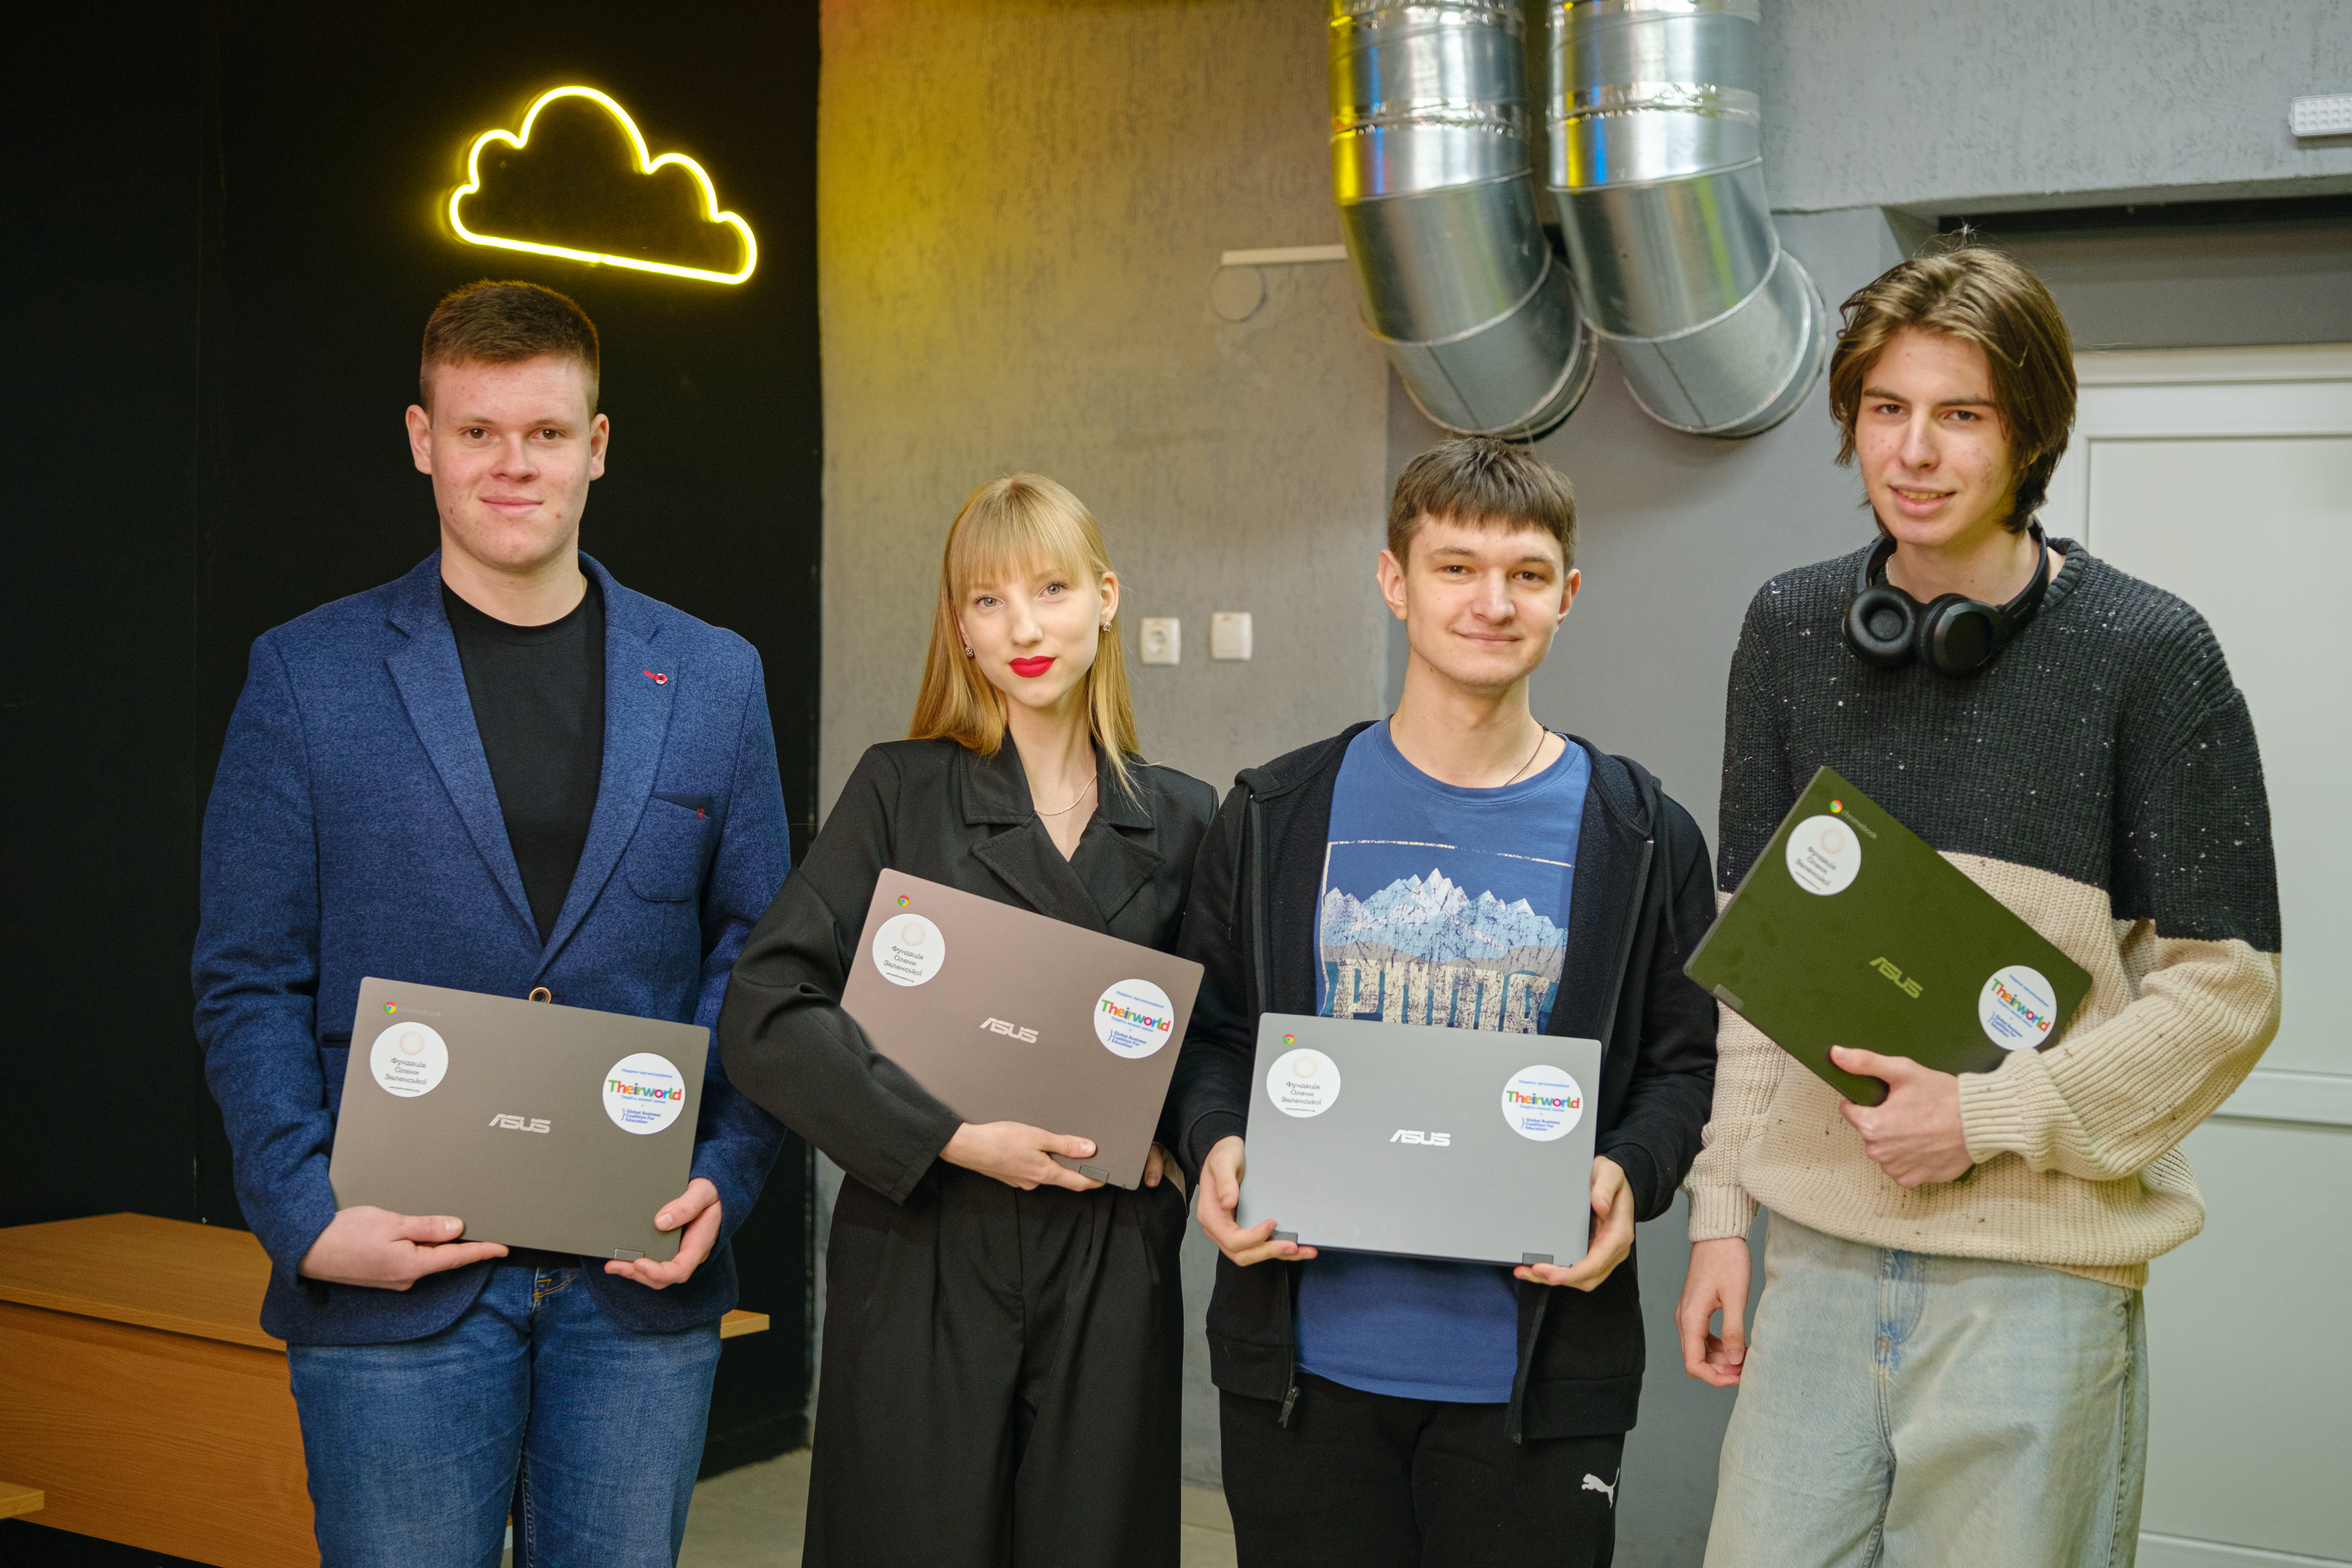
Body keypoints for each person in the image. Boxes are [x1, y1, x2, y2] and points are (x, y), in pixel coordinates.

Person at [1678, 247, 2282, 1567]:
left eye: (1961, 414)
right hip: (1817, 1263)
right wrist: (1721, 1215)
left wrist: (1987, 1114)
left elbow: (2226, 989)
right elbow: (1752, 971)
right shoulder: (1788, 631)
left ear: (2030, 432)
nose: (1914, 451)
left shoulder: (2147, 653)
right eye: (1886, 409)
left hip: (2036, 1286)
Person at [192, 280, 793, 1568]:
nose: (513, 465)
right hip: (394, 1285)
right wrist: (304, 1216)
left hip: (632, 1291)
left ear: (599, 444)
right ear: (423, 439)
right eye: (478, 433)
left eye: (546, 432)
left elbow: (760, 959)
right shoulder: (308, 675)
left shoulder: (713, 679)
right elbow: (246, 978)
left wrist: (725, 1179)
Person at [1167, 437, 1719, 1568]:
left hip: (1538, 1377)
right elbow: (1212, 1036)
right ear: (1393, 582)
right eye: (1455, 567)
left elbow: (1687, 1065)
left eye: (1523, 573)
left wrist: (1632, 1170)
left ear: (1566, 596)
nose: (1490, 601)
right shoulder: (1276, 813)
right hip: (1302, 1371)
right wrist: (1215, 1139)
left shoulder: (1641, 832)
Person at [717, 474, 1216, 1568]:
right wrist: (943, 1135)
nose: (1023, 627)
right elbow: (767, 1005)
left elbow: (1213, 1044)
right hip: (924, 1239)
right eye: (986, 601)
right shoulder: (899, 791)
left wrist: (1182, 1150)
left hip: (1106, 1253)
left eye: (1049, 589)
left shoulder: (1184, 818)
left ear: (1106, 597)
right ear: (959, 626)